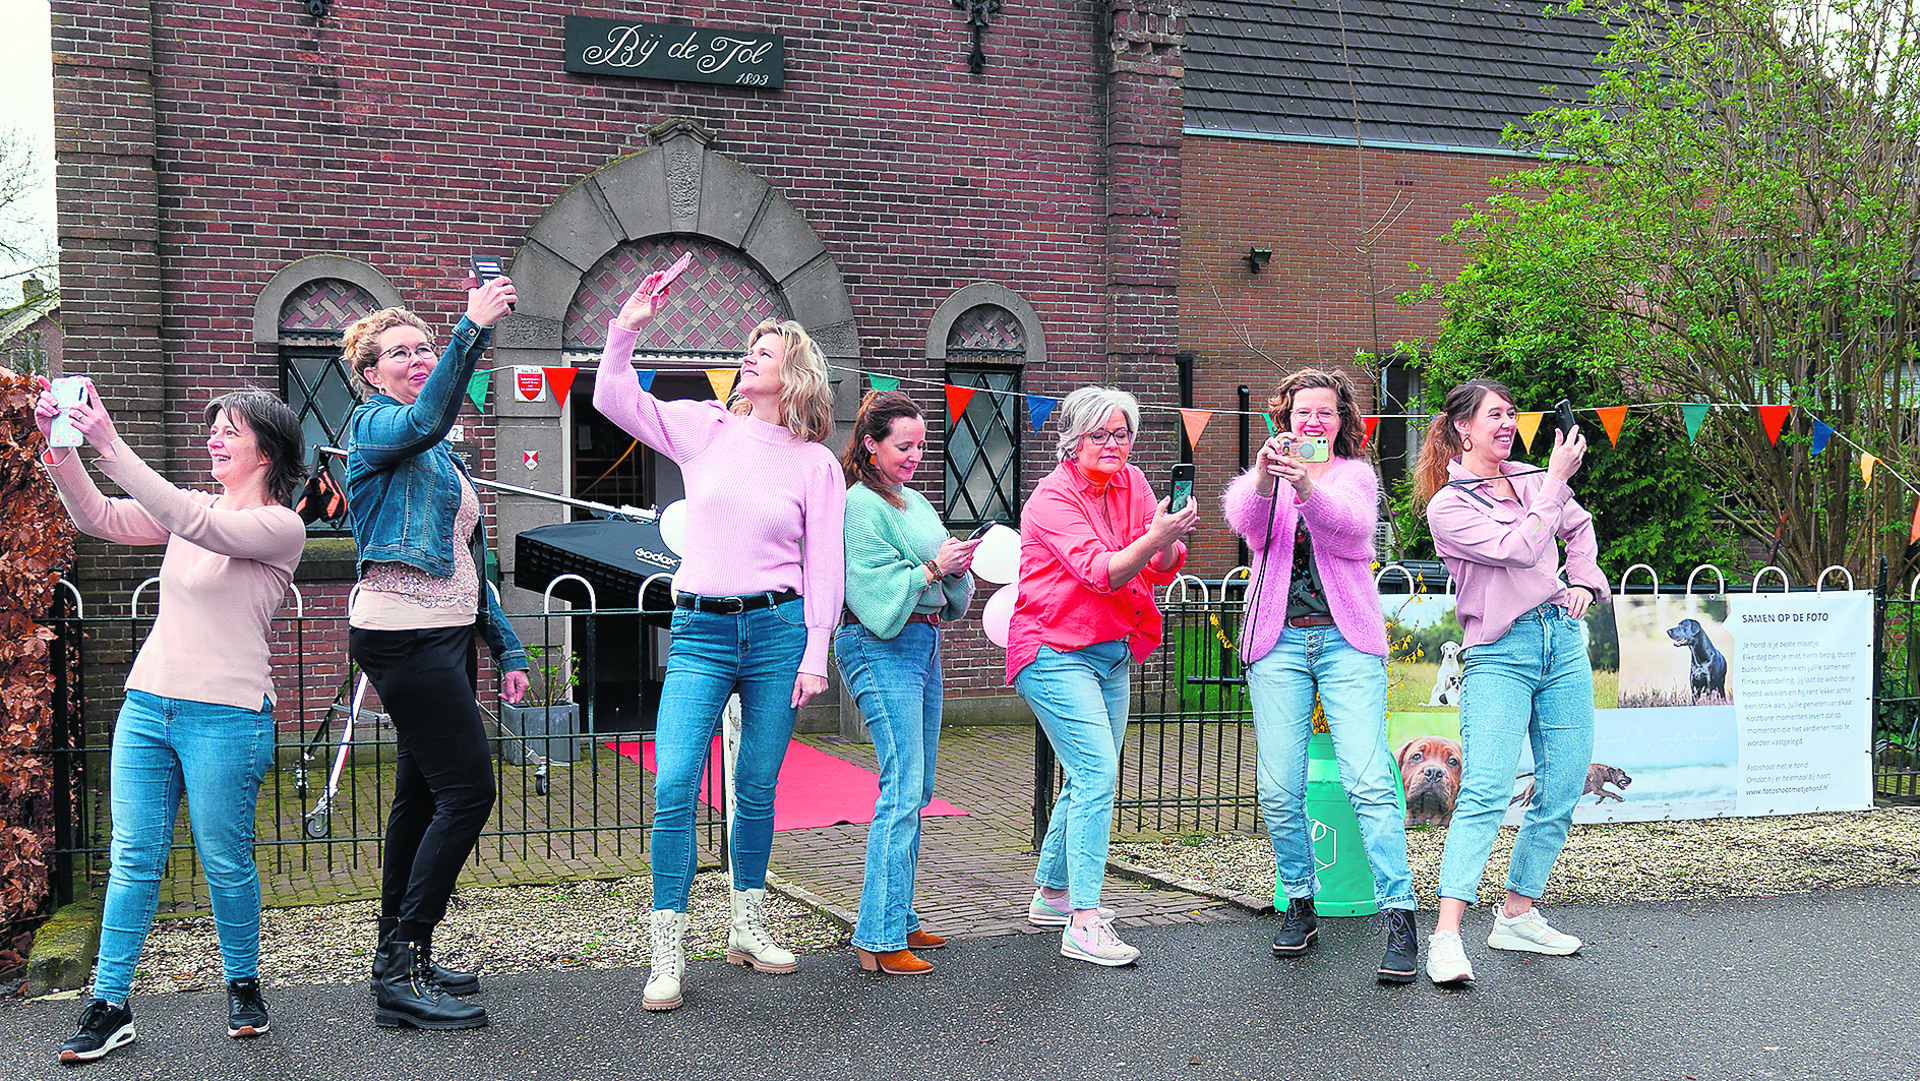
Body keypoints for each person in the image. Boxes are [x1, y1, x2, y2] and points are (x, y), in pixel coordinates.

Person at [593, 269, 844, 1011]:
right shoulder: (705, 426)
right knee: (674, 787)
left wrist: (815, 651)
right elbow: (614, 398)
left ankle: (747, 927)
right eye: (750, 346)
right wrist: (627, 325)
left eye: (766, 348)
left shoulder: (815, 463)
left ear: (794, 371)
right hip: (700, 629)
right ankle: (666, 952)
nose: (751, 355)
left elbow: (823, 563)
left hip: (776, 630)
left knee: (757, 788)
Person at [35, 381, 306, 1062]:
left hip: (229, 715)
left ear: (267, 450)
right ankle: (108, 1003)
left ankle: (244, 986)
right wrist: (61, 448)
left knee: (224, 859)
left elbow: (199, 525)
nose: (213, 438)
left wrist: (108, 440)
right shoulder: (193, 508)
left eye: (230, 430)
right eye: (212, 428)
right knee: (132, 857)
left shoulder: (280, 526)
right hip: (148, 704)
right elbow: (98, 516)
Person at [342, 278, 530, 1031]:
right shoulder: (374, 425)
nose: (417, 358)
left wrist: (506, 646)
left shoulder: (439, 454)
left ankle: (405, 958)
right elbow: (424, 418)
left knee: (420, 799)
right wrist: (469, 330)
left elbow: (466, 561)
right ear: (370, 371)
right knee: (470, 791)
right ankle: (399, 966)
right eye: (401, 352)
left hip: (447, 631)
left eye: (424, 347)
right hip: (402, 630)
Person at [1223, 369, 1418, 982]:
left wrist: (1307, 483)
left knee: (1368, 780)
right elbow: (1243, 523)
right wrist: (1263, 476)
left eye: (1325, 413)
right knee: (1279, 788)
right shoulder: (1271, 475)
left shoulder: (1357, 475)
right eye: (1302, 412)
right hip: (1277, 642)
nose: (1313, 422)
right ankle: (1300, 901)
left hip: (1346, 644)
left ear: (1342, 420)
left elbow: (1353, 530)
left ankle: (1400, 915)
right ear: (1285, 416)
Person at [1415, 378, 1609, 985]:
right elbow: (1520, 549)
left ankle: (1517, 915)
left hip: (1561, 641)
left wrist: (1582, 582)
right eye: (1494, 415)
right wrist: (1554, 482)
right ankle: (1447, 936)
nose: (1507, 424)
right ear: (1462, 429)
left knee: (1562, 785)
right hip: (1499, 651)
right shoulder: (1449, 506)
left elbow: (1578, 531)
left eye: (1511, 415)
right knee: (1486, 791)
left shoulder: (1528, 477)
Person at [1008, 386, 1197, 966]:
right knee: (1096, 773)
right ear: (1074, 438)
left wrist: (1167, 539)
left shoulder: (1135, 483)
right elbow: (1102, 572)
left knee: (1089, 775)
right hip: (1052, 649)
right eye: (1101, 434)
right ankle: (1083, 921)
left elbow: (1160, 569)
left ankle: (1053, 893)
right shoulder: (1051, 498)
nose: (1114, 445)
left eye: (1123, 434)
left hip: (1112, 648)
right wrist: (1152, 540)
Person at [835, 391, 978, 976]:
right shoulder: (860, 506)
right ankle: (879, 936)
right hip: (879, 645)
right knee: (902, 786)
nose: (916, 454)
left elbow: (934, 577)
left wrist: (955, 566)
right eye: (904, 445)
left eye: (921, 444)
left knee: (916, 789)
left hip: (921, 641)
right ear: (871, 444)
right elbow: (867, 590)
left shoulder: (912, 499)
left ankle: (899, 912)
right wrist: (935, 568)